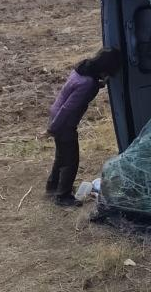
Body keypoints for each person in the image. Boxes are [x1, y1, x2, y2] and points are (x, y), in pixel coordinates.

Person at [46, 48, 123, 207]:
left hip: (56, 114)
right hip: (64, 122)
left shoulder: (83, 69)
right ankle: (63, 196)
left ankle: (53, 187)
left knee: (61, 156)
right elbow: (68, 108)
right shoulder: (89, 84)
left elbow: (78, 89)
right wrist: (53, 129)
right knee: (71, 160)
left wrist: (100, 84)